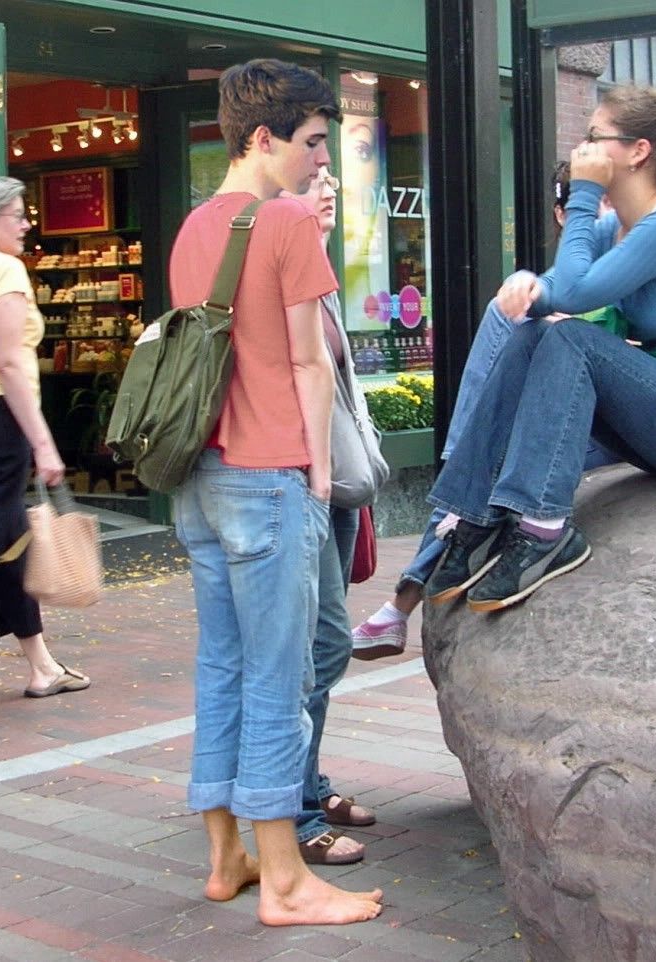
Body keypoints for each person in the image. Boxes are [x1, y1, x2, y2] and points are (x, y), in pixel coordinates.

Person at [168, 59, 382, 926]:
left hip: (200, 481)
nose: (318, 163)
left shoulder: (194, 224)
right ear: (264, 137)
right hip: (267, 477)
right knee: (278, 682)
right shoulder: (287, 218)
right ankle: (287, 881)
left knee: (222, 667)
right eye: (311, 143)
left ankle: (228, 858)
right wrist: (319, 478)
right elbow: (302, 360)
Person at [352, 161, 621, 659]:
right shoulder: (565, 276)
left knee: (490, 456)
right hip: (549, 419)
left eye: (609, 201)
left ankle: (406, 594)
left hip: (601, 422)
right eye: (588, 206)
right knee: (512, 314)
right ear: (563, 216)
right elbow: (540, 291)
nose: (604, 215)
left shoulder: (635, 251)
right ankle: (463, 483)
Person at [425, 82, 656, 611]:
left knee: (570, 339)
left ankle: (542, 529)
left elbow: (578, 297)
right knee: (540, 333)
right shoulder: (614, 229)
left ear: (638, 150)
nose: (579, 152)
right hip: (653, 411)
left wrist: (581, 196)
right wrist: (526, 284)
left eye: (594, 137)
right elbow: (555, 293)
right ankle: (472, 512)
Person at [280, 169, 376, 867]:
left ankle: (308, 784)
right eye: (313, 174)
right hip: (297, 481)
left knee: (321, 648)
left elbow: (339, 385)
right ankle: (294, 810)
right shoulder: (276, 267)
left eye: (332, 179)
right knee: (320, 648)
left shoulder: (321, 273)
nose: (329, 186)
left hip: (336, 482)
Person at [0, 176, 90, 698]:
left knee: (6, 542)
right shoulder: (4, 271)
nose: (26, 224)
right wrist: (43, 443)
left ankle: (42, 664)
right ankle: (42, 666)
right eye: (17, 215)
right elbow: (7, 362)